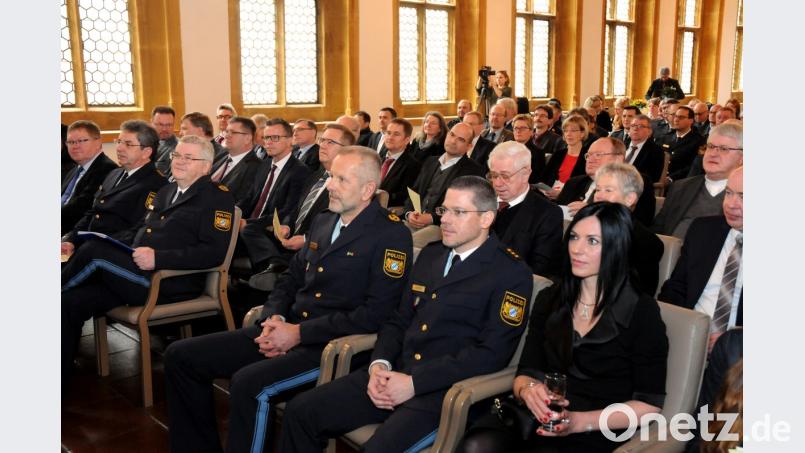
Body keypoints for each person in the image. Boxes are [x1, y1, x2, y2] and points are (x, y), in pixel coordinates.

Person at [164, 146, 413, 453]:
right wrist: (274, 316)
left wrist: (298, 333)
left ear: (367, 190)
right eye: (331, 177)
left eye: (341, 180)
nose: (330, 186)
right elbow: (291, 278)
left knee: (249, 385)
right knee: (181, 356)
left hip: (331, 347)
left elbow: (376, 313)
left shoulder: (390, 235)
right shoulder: (324, 220)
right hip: (288, 328)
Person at [278, 176, 534, 453]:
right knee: (301, 412)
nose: (445, 220)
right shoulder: (431, 256)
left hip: (443, 393)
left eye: (458, 212)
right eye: (444, 210)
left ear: (486, 219)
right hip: (395, 372)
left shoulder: (510, 272)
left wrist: (415, 383)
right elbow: (398, 320)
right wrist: (380, 365)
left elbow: (491, 354)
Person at [457, 202, 669, 453]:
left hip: (596, 425)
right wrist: (529, 391)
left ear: (617, 247)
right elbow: (526, 372)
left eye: (592, 241)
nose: (577, 249)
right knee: (477, 445)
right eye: (574, 237)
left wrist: (580, 421)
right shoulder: (551, 299)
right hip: (538, 415)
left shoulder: (641, 313)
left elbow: (649, 406)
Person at [62, 135, 234, 387]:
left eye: (189, 157)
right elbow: (140, 230)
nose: (180, 161)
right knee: (69, 301)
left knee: (94, 251)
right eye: (177, 155)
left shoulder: (216, 197)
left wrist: (159, 258)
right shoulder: (167, 191)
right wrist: (115, 244)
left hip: (169, 282)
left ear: (206, 167)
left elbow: (214, 253)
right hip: (136, 275)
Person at [659, 166, 743, 352]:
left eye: (743, 197)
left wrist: (734, 340)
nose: (731, 204)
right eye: (728, 193)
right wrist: (683, 327)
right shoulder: (703, 230)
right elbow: (676, 287)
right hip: (689, 334)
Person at [61, 120, 167, 258]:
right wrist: (71, 240)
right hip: (89, 245)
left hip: (113, 252)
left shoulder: (156, 184)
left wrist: (95, 243)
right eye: (119, 142)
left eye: (128, 144)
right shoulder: (114, 174)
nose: (119, 148)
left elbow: (138, 229)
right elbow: (93, 213)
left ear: (146, 152)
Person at [237, 118, 311, 274]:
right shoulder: (263, 165)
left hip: (270, 229)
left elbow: (288, 211)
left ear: (290, 140)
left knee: (248, 230)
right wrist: (235, 212)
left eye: (275, 138)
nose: (268, 142)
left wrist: (248, 222)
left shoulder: (300, 171)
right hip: (250, 226)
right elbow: (250, 198)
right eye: (266, 137)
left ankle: (274, 267)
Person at [653, 123, 742, 239]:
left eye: (724, 149)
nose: (713, 153)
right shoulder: (680, 187)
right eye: (710, 146)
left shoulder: (742, 199)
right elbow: (657, 231)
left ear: (742, 158)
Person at [488, 142, 563, 276]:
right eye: (494, 175)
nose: (498, 183)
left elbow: (538, 271)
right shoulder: (479, 201)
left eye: (505, 176)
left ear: (525, 175)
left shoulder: (547, 214)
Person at [404, 123, 485, 246]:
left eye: (461, 140)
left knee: (407, 243)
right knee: (389, 234)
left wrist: (431, 217)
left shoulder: (473, 170)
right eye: (452, 135)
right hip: (414, 219)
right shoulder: (430, 162)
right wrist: (409, 213)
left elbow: (463, 209)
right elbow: (413, 192)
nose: (453, 141)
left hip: (442, 226)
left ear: (469, 146)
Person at [593, 162, 663, 296]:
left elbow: (638, 295)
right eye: (597, 189)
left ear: (630, 198)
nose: (598, 196)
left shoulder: (646, 242)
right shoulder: (583, 226)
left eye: (608, 190)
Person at [555, 137, 655, 227]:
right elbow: (555, 215)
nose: (590, 159)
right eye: (588, 155)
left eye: (598, 155)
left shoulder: (636, 181)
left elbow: (641, 222)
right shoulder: (573, 183)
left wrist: (594, 212)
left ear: (618, 159)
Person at [61, 120, 119, 235]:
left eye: (82, 141)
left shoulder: (107, 169)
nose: (75, 146)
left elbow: (81, 208)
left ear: (98, 142)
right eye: (71, 142)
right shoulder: (74, 169)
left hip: (75, 233)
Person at [212, 116, 263, 204]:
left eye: (233, 132)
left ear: (247, 138)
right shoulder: (220, 156)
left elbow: (242, 203)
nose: (227, 136)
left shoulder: (257, 168)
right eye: (227, 131)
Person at [538, 115, 590, 197]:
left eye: (573, 131)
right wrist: (545, 190)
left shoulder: (587, 157)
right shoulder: (558, 154)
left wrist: (562, 194)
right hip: (549, 198)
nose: (569, 134)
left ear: (582, 133)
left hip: (572, 201)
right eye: (566, 131)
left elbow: (586, 186)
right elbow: (544, 179)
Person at [379, 118, 422, 207]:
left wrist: (375, 197)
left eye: (396, 134)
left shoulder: (413, 165)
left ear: (407, 140)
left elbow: (404, 196)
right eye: (388, 133)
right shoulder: (377, 159)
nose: (390, 137)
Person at [655, 105, 705, 181]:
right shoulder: (665, 137)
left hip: (680, 182)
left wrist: (671, 178)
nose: (676, 119)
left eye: (681, 117)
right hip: (658, 178)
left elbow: (693, 166)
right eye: (675, 116)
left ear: (691, 120)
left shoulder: (697, 140)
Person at [625, 114, 666, 183]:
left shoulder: (656, 151)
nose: (635, 129)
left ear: (649, 132)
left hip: (635, 188)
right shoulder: (622, 145)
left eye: (641, 126)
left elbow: (652, 178)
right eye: (633, 126)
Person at [511, 113, 547, 182]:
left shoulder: (538, 153)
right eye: (516, 128)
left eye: (523, 128)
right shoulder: (506, 149)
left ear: (531, 132)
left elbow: (535, 179)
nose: (518, 131)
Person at [151, 105, 178, 175]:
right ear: (151, 123)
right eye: (160, 124)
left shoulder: (178, 148)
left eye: (169, 125)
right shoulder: (142, 143)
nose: (164, 129)